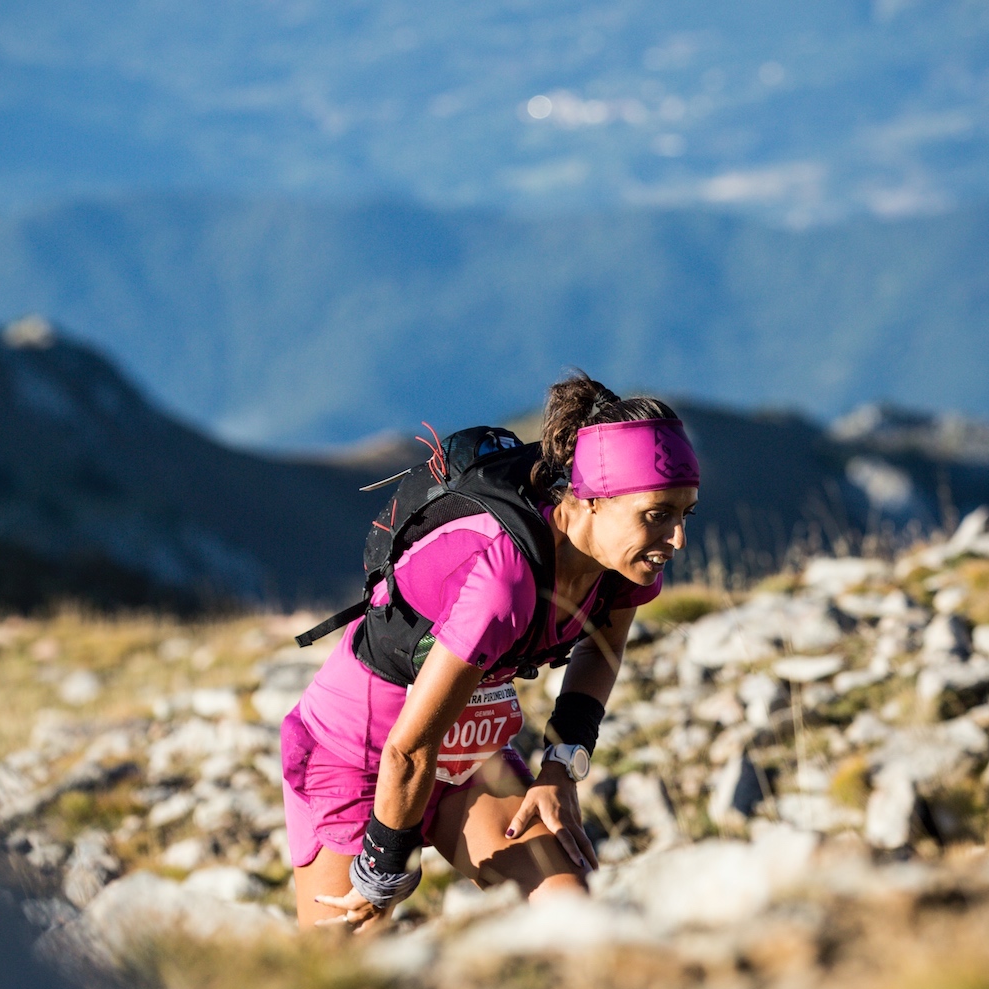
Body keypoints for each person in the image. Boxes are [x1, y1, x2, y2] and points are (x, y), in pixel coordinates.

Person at [281, 373, 701, 931]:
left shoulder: (624, 564)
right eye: (656, 515)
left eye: (684, 514)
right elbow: (406, 753)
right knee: (342, 969)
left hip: (466, 752)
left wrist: (560, 767)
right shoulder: (502, 581)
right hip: (356, 754)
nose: (676, 540)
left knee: (570, 916)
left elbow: (600, 653)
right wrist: (383, 871)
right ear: (590, 500)